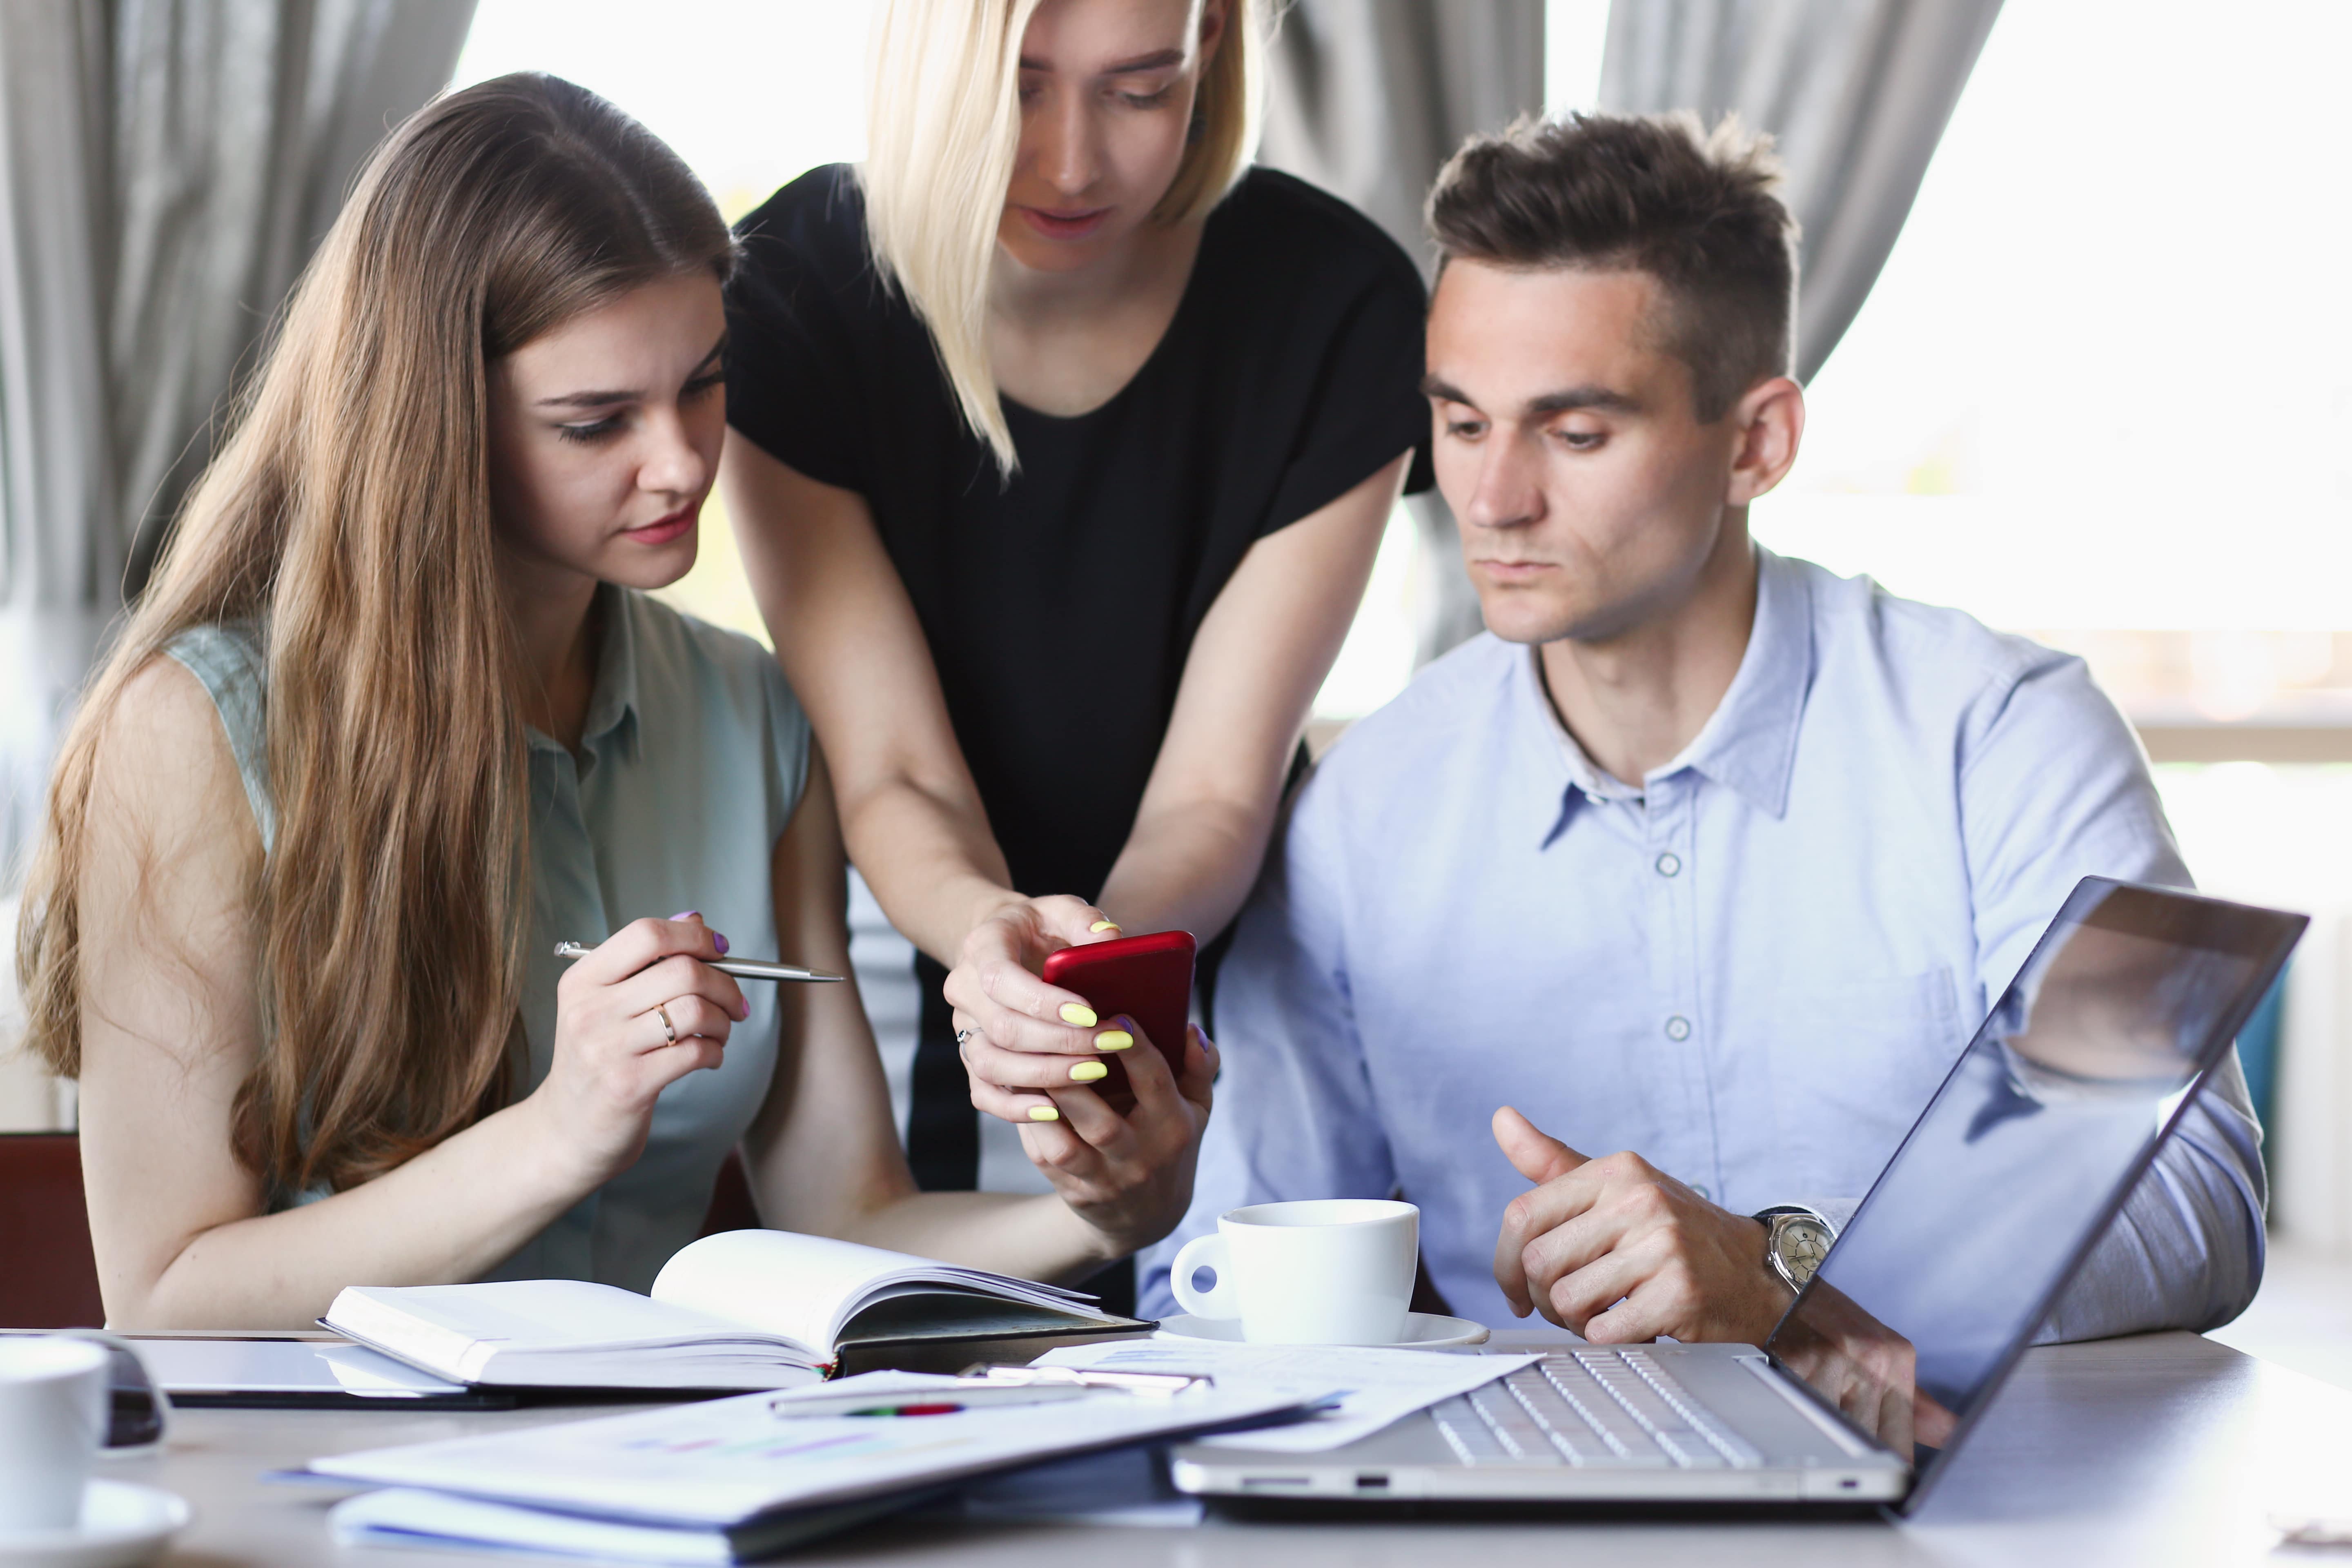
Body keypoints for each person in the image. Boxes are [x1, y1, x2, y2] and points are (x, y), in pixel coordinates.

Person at [13, 74, 1211, 1331]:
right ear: (435, 425)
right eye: (596, 422)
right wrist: (557, 1133)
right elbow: (162, 1299)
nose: (685, 461)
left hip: (658, 1474)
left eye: (705, 381)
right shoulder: (191, 733)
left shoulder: (753, 714)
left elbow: (851, 1219)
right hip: (321, 1487)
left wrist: (1105, 1208)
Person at [1139, 111, 2265, 1345]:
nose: (1495, 500)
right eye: (1461, 425)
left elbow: (2198, 1192)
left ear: (1757, 441)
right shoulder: (1361, 816)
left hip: (1940, 1517)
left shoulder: (2005, 735)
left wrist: (1786, 1271)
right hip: (1511, 1512)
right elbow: (1228, 1269)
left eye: (1576, 433)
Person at [717, 0, 1429, 1303]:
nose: (1070, 162)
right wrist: (994, 947)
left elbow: (1220, 791)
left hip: (1217, 974)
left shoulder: (1339, 308)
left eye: (1139, 90)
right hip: (902, 945)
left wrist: (1094, 982)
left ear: (1211, 48)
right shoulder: (791, 290)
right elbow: (895, 776)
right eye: (1021, 89)